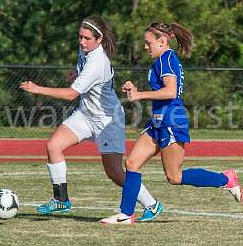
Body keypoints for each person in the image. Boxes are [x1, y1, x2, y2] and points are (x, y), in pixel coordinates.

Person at [19, 15, 163, 221]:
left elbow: (71, 94)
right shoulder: (86, 50)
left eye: (87, 38)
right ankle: (61, 200)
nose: (82, 42)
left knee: (115, 173)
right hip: (86, 114)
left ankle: (152, 204)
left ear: (99, 39)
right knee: (53, 146)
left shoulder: (98, 61)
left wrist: (37, 89)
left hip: (107, 120)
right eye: (80, 37)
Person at [99, 21, 242, 225]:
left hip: (171, 122)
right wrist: (135, 89)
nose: (146, 47)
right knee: (132, 163)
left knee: (174, 177)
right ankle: (126, 215)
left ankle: (226, 179)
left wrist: (139, 94)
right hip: (159, 121)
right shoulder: (162, 60)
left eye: (148, 43)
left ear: (162, 41)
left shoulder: (166, 58)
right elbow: (163, 91)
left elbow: (170, 91)